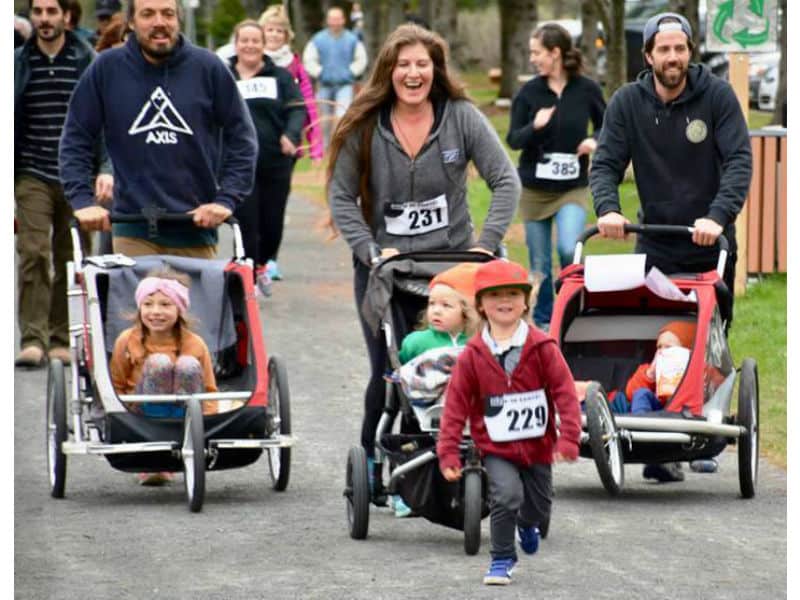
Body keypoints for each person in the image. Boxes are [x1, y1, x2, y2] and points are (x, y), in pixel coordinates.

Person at [327, 23, 521, 491]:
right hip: (386, 270)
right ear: (388, 71)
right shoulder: (366, 123)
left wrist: (485, 243)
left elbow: (505, 182)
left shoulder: (461, 116)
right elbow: (340, 196)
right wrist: (369, 250)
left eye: (422, 64)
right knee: (390, 369)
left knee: (467, 363)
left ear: (436, 71)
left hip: (453, 268)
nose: (413, 74)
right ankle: (373, 465)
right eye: (403, 65)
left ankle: (485, 456)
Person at [60, 0, 258, 258]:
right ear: (131, 21)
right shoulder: (106, 69)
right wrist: (83, 201)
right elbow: (76, 136)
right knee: (135, 298)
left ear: (179, 19)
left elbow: (243, 138)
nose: (159, 23)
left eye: (168, 14)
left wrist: (226, 199)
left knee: (195, 300)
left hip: (195, 226)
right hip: (131, 226)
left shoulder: (208, 68)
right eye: (148, 14)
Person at [589, 12, 752, 308]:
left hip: (710, 240)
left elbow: (738, 161)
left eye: (680, 48)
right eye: (663, 49)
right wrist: (608, 209)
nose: (673, 57)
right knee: (653, 334)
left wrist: (718, 216)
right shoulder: (626, 103)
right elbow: (605, 164)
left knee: (708, 339)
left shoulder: (717, 96)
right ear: (649, 56)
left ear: (690, 51)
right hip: (655, 240)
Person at [436, 259, 581, 586]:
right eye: (495, 295)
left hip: (538, 446)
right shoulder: (472, 355)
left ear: (526, 301)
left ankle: (527, 525)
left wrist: (569, 438)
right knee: (506, 496)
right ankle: (501, 558)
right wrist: (448, 452)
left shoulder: (543, 347)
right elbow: (456, 404)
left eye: (513, 293)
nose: (505, 301)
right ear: (481, 306)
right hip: (496, 446)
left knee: (539, 506)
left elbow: (565, 392)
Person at [14, 0, 113, 368]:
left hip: (77, 175)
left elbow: (104, 121)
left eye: (51, 11)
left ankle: (59, 336)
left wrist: (104, 166)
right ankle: (32, 338)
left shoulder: (86, 60)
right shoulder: (18, 62)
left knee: (71, 255)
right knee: (34, 252)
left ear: (67, 15)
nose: (43, 19)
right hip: (31, 172)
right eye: (37, 11)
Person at [507, 23, 605, 331]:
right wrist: (534, 126)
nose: (533, 58)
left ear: (555, 53)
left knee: (568, 248)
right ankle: (545, 321)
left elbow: (608, 126)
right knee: (539, 266)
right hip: (535, 190)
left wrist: (594, 141)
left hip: (572, 188)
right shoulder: (529, 93)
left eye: (537, 52)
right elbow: (513, 139)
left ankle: (572, 310)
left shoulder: (587, 89)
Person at [110, 267, 217, 485]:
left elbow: (209, 389)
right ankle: (155, 458)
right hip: (141, 411)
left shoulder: (195, 343)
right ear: (139, 308)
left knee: (187, 364)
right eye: (148, 305)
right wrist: (118, 418)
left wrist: (210, 425)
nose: (156, 311)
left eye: (165, 305)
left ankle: (181, 438)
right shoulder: (127, 340)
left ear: (179, 309)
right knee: (159, 363)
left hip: (186, 413)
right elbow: (117, 384)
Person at [391, 262, 481, 517]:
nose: (436, 311)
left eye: (445, 306)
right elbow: (407, 363)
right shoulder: (417, 341)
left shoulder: (475, 341)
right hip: (429, 406)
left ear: (466, 312)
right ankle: (402, 490)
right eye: (432, 305)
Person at [228, 19, 305, 295]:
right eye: (244, 40)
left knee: (272, 222)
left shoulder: (280, 77)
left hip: (275, 161)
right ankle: (246, 273)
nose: (249, 45)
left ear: (264, 45)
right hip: (239, 165)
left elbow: (298, 108)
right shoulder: (224, 75)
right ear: (236, 44)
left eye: (255, 40)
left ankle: (262, 264)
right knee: (246, 220)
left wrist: (291, 135)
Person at [258, 4, 325, 280]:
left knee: (276, 203)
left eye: (278, 31)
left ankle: (270, 259)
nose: (274, 35)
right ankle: (252, 257)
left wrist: (314, 142)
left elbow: (306, 103)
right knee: (253, 203)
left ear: (287, 36)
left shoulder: (294, 65)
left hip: (286, 145)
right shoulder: (249, 60)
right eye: (269, 30)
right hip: (255, 146)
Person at [302, 6, 367, 147]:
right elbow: (309, 59)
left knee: (341, 116)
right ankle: (326, 151)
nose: (335, 21)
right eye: (332, 19)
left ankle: (340, 148)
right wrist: (319, 72)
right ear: (328, 20)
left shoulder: (352, 39)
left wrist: (350, 72)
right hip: (324, 85)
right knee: (324, 121)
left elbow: (361, 59)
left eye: (338, 18)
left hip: (345, 85)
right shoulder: (318, 39)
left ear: (343, 20)